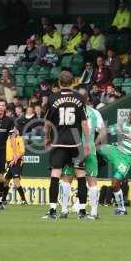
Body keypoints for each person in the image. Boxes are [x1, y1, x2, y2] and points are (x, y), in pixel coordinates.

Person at [43, 71, 90, 219]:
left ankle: (52, 211)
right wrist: (87, 142)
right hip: (75, 142)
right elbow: (84, 122)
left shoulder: (52, 98)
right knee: (81, 176)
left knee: (55, 175)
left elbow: (47, 123)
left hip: (59, 142)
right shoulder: (79, 98)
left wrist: (46, 138)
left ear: (59, 82)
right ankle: (82, 211)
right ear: (72, 82)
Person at [60, 88, 104, 220]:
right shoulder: (95, 113)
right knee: (92, 181)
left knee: (67, 178)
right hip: (89, 148)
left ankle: (63, 210)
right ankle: (94, 212)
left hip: (72, 147)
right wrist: (93, 143)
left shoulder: (71, 110)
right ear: (88, 99)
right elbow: (103, 131)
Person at [2, 126, 27, 205]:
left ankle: (24, 200)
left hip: (16, 162)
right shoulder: (8, 139)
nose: (12, 133)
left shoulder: (19, 139)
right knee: (6, 181)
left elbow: (22, 152)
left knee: (16, 182)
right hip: (9, 162)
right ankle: (3, 199)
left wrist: (14, 160)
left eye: (13, 132)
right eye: (11, 132)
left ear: (16, 131)